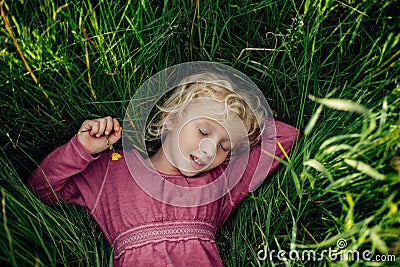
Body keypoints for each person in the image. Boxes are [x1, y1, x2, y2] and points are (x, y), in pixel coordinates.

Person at [29, 71, 299, 266]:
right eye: (204, 130)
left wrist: (250, 119)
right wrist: (81, 149)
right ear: (170, 118)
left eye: (225, 146)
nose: (210, 149)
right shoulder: (112, 169)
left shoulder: (220, 183)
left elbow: (286, 137)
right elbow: (40, 190)